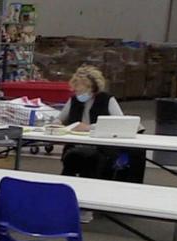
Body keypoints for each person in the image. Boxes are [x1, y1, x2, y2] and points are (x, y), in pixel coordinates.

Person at [56, 65, 143, 220]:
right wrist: (54, 123)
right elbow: (61, 118)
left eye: (81, 89)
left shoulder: (107, 100)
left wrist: (89, 128)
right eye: (76, 89)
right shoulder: (74, 100)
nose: (78, 93)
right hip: (75, 144)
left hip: (101, 147)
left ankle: (87, 206)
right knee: (72, 158)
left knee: (89, 159)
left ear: (92, 88)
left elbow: (121, 123)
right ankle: (64, 201)